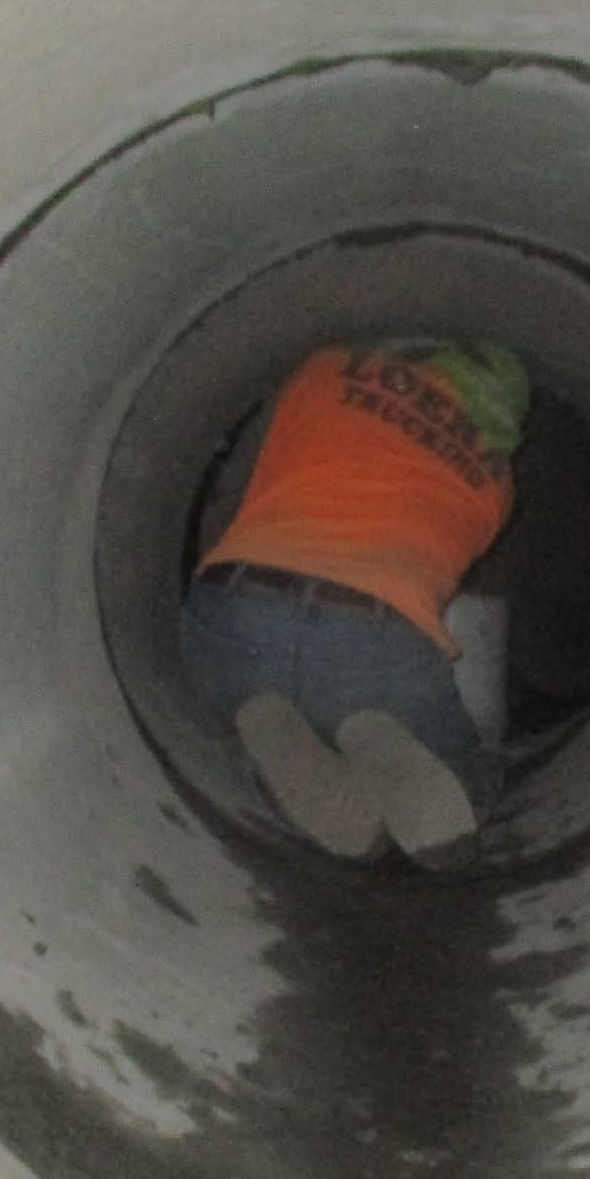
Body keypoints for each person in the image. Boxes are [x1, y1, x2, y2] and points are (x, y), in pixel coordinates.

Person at [182, 339, 530, 868]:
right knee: (461, 780)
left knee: (229, 745)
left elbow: (243, 476)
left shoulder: (325, 369)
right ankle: (370, 731)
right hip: (373, 640)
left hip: (233, 612)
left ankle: (261, 727)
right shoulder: (498, 486)